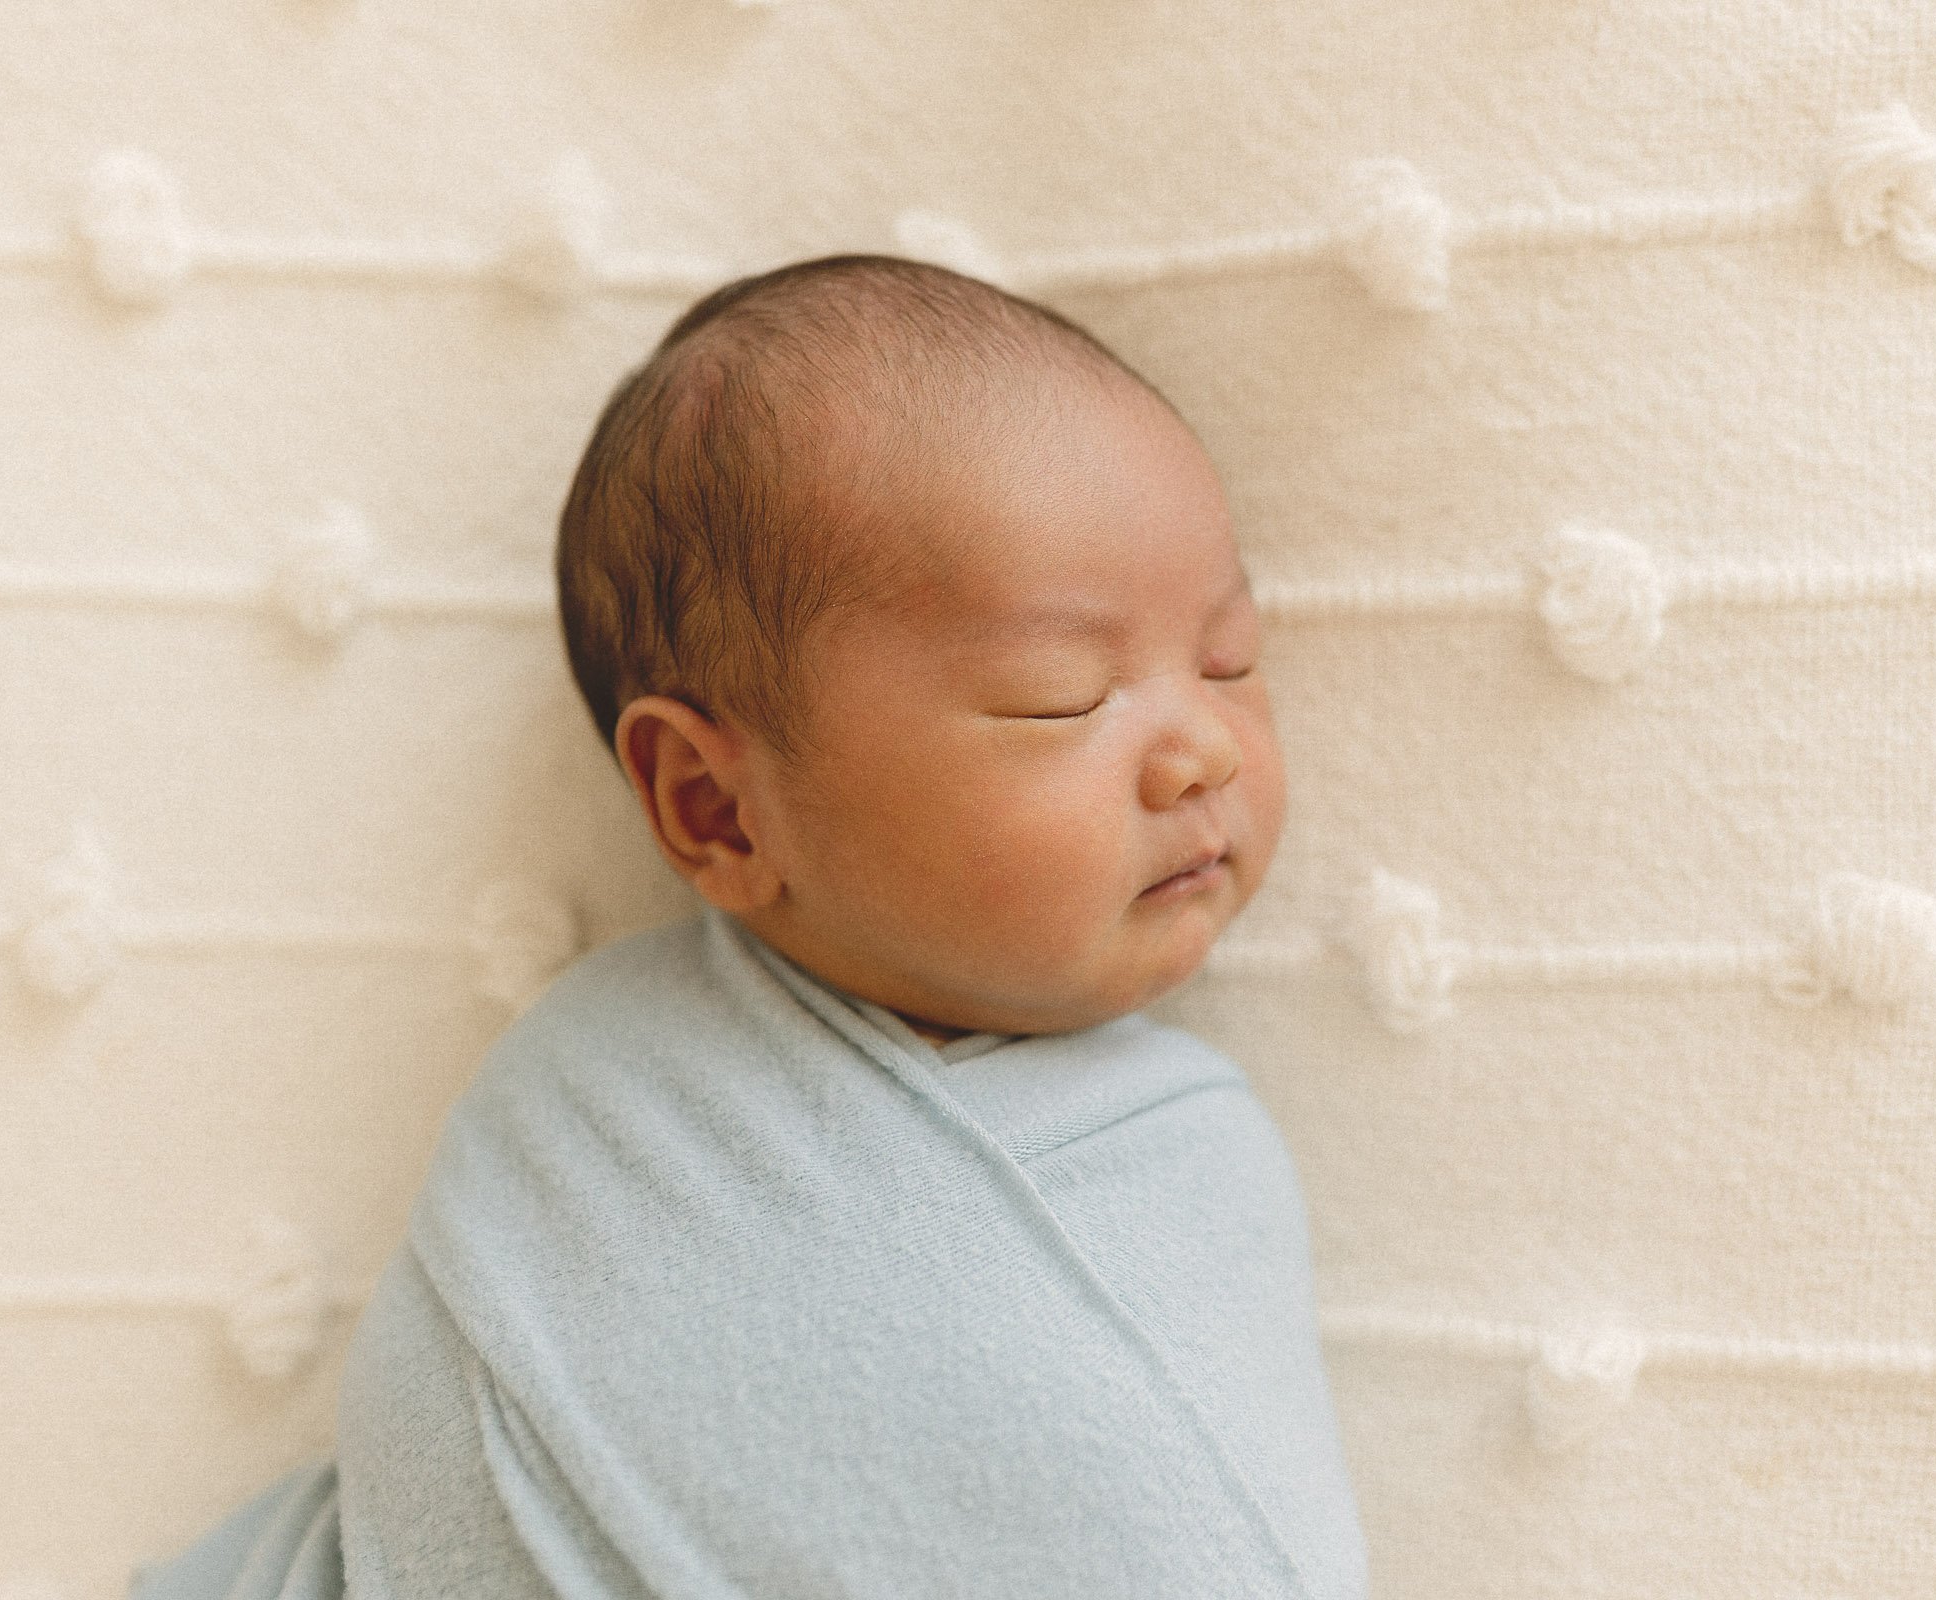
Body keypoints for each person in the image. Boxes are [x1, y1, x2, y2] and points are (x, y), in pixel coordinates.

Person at [131, 254, 1368, 1599]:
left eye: (1231, 659)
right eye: (1061, 696)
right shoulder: (600, 1107)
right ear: (718, 809)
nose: (1203, 752)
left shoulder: (1184, 1153)